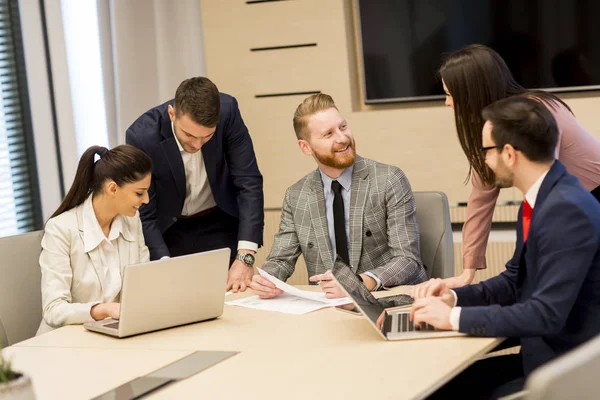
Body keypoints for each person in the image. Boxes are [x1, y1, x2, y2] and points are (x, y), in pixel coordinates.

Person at [411, 97, 600, 399]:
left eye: (487, 150)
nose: (483, 160)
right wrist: (454, 298)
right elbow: (515, 281)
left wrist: (452, 319)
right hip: (546, 355)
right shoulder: (544, 198)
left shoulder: (566, 211)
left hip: (566, 371)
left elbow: (545, 314)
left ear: (509, 153)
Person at [439, 44, 600, 288]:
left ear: (471, 93)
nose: (447, 104)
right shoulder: (491, 125)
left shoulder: (536, 111)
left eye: (450, 95)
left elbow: (546, 180)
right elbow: (481, 197)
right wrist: (467, 272)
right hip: (571, 203)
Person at [250, 94, 427, 299]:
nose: (342, 138)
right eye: (328, 134)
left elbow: (407, 260)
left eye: (343, 127)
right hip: (328, 307)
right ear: (305, 147)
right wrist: (268, 279)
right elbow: (280, 260)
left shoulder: (388, 180)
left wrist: (358, 283)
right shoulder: (296, 196)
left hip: (387, 299)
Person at [126, 77, 264, 293]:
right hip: (170, 231)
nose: (197, 144)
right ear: (172, 114)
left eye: (207, 136)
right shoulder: (142, 137)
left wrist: (245, 257)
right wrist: (163, 263)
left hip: (218, 222)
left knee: (235, 304)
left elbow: (248, 182)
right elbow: (146, 213)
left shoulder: (228, 112)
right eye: (189, 135)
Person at [37, 145, 153, 334]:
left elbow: (143, 285)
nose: (146, 199)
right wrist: (102, 310)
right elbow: (53, 310)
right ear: (112, 188)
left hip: (117, 334)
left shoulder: (132, 220)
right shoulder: (60, 229)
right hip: (66, 341)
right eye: (139, 193)